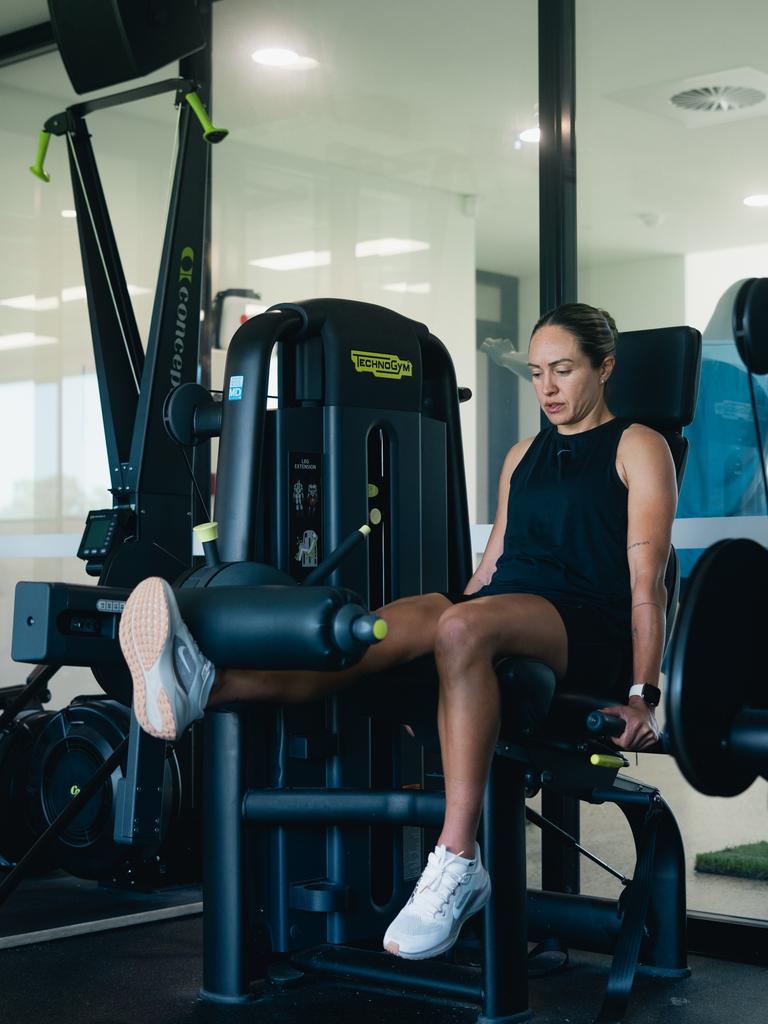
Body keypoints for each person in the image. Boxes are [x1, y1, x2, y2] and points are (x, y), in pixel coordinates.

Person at [118, 302, 677, 962]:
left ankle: (457, 861)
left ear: (604, 367)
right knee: (375, 629)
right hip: (502, 610)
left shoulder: (640, 445)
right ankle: (206, 685)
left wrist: (644, 691)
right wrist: (432, 653)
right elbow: (491, 569)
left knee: (462, 626)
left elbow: (648, 583)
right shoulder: (522, 455)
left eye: (563, 371)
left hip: (585, 626)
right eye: (536, 374)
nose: (548, 389)